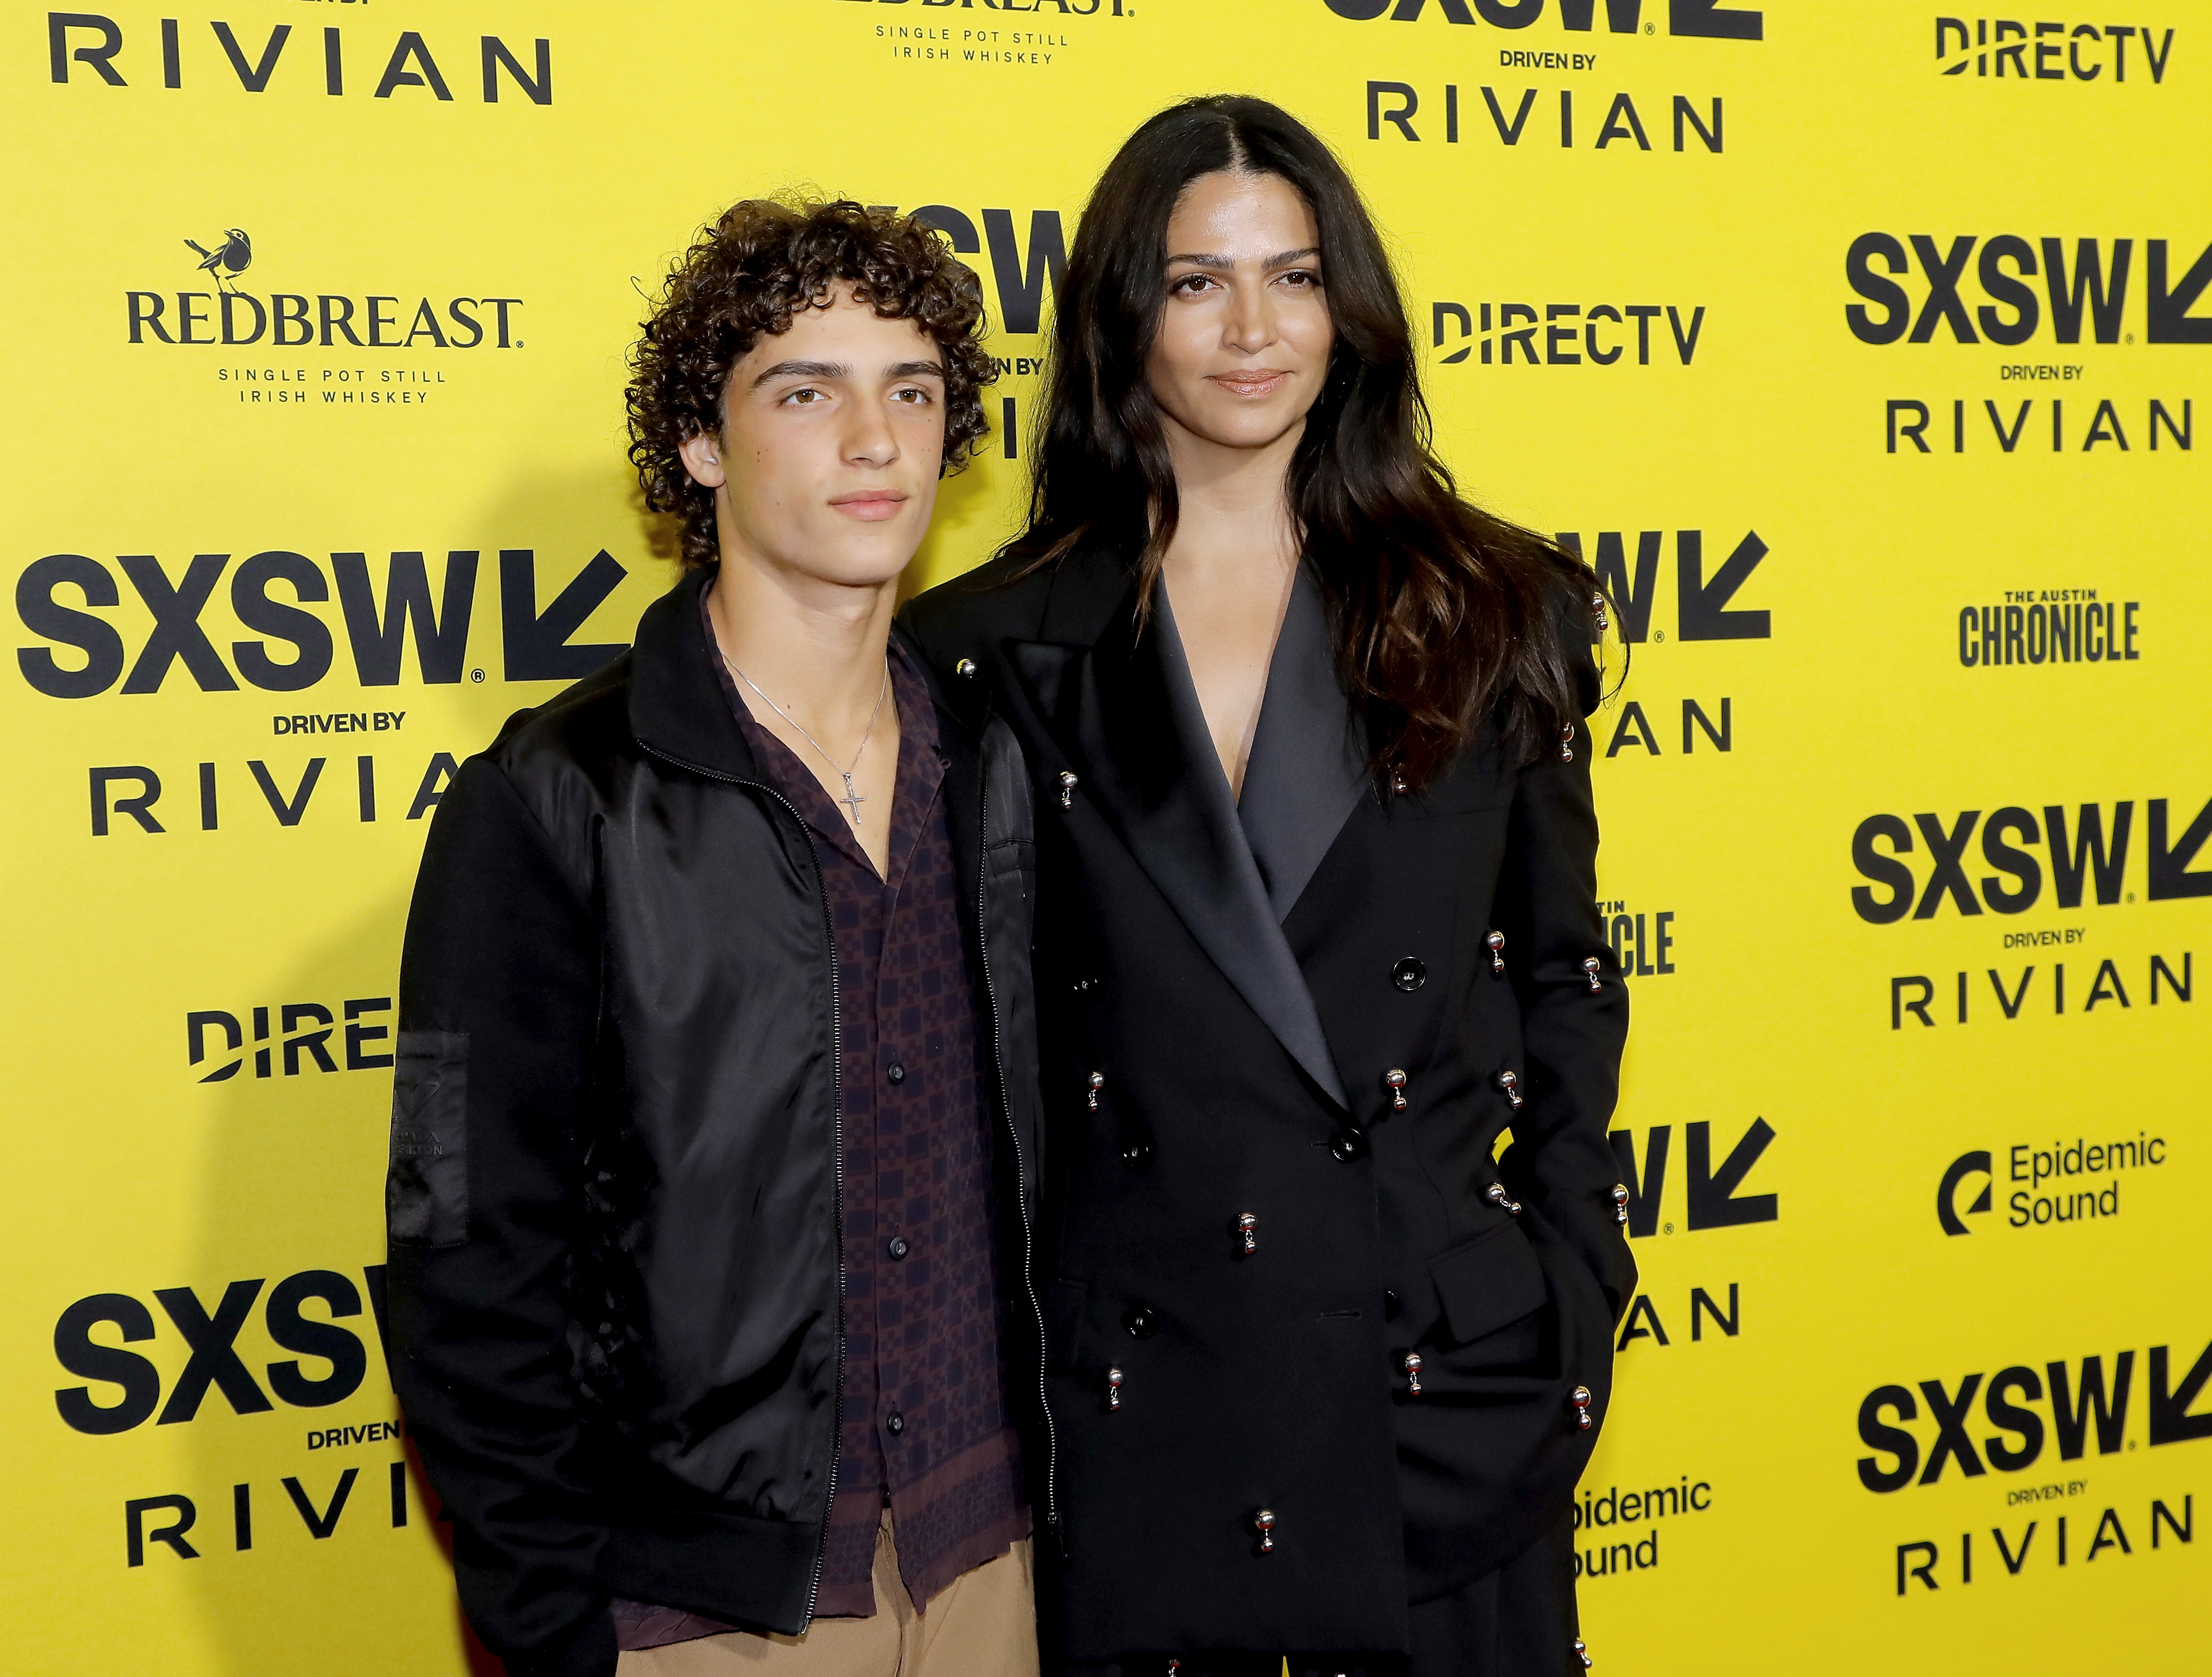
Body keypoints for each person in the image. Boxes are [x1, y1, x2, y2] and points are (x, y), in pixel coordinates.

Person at [903, 97, 1635, 1677]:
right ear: (1122, 318)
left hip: (1439, 1396)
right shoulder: (985, 650)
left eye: (1293, 278)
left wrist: (1572, 1295)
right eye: (1195, 282)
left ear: (1346, 309)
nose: (1253, 329)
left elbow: (1567, 975)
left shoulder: (1495, 606)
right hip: (1141, 1414)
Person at [385, 198, 1048, 1677]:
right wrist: (553, 1625)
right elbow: (456, 1243)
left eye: (913, 389)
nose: (873, 440)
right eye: (804, 390)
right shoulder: (549, 801)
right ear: (701, 443)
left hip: (997, 1570)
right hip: (697, 1618)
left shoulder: (1002, 765)